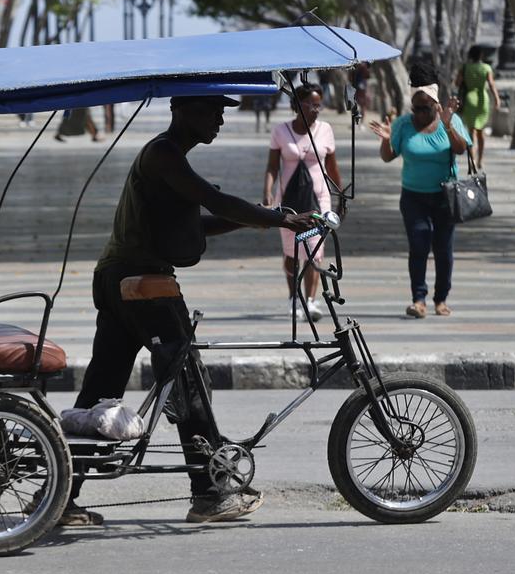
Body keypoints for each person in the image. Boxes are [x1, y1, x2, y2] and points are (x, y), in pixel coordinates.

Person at [68, 94, 316, 526]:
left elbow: (198, 223)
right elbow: (215, 203)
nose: (219, 119)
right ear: (181, 110)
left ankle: (59, 496)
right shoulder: (164, 154)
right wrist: (277, 219)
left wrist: (260, 217)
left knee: (99, 393)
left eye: (222, 112)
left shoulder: (169, 160)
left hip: (118, 279)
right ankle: (209, 494)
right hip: (144, 285)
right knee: (188, 385)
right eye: (212, 110)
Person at [367, 57, 470, 319]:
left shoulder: (450, 121)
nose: (421, 113)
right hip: (413, 197)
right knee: (419, 245)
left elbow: (461, 149)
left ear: (436, 104)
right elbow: (388, 157)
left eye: (426, 108)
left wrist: (447, 125)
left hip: (445, 196)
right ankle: (419, 299)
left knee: (443, 249)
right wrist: (386, 139)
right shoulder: (403, 124)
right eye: (416, 108)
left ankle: (441, 298)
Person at [263, 83, 342, 321]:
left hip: (319, 200)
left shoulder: (325, 130)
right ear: (297, 105)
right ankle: (293, 298)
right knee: (292, 251)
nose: (316, 110)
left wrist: (340, 196)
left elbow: (332, 167)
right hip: (288, 200)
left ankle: (310, 300)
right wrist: (267, 192)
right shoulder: (281, 131)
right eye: (311, 105)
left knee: (314, 251)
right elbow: (272, 166)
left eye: (319, 106)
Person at [454, 46, 500, 170]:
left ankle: (472, 159)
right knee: (481, 132)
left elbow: (457, 83)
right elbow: (491, 84)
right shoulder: (486, 68)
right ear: (481, 55)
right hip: (482, 100)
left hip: (469, 100)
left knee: (472, 132)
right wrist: (497, 99)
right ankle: (480, 160)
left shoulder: (465, 67)